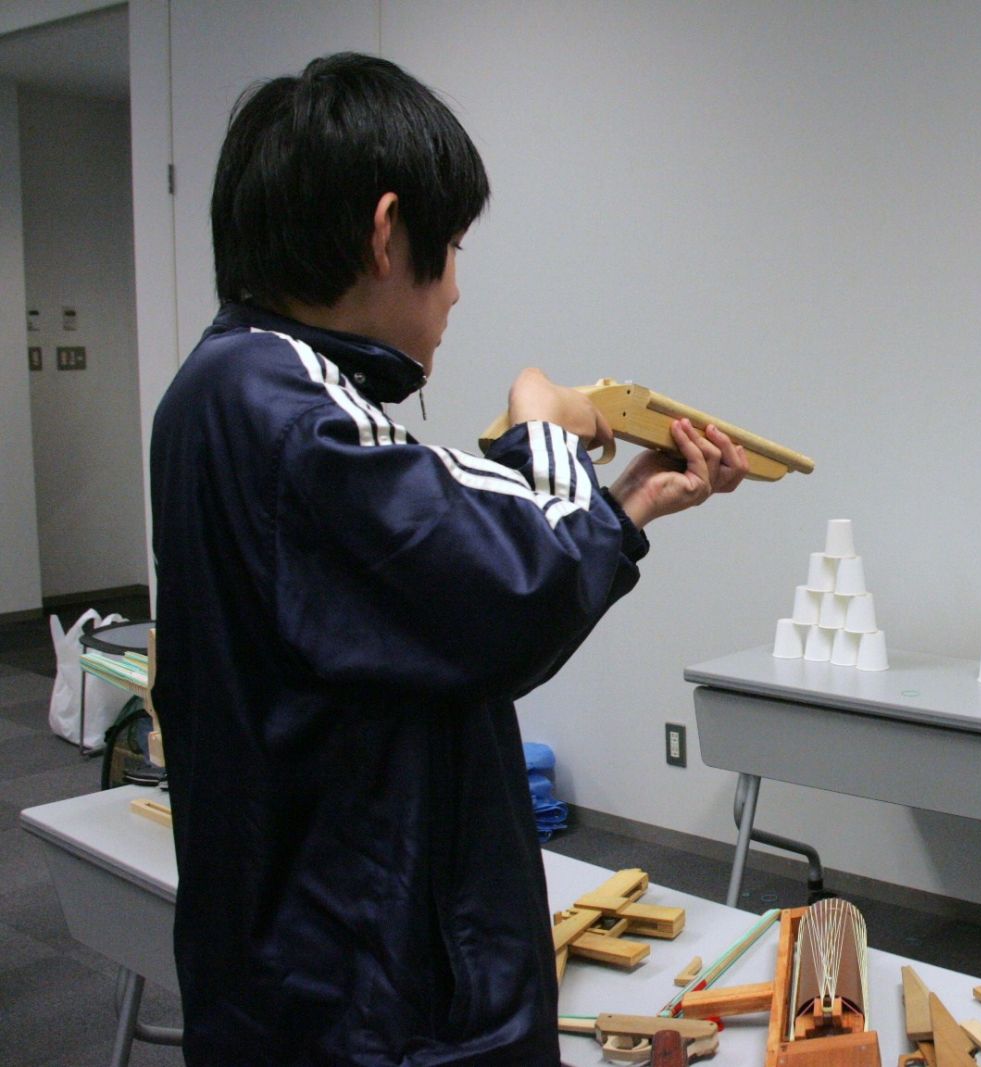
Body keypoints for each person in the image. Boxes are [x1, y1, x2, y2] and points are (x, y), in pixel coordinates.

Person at [149, 52, 747, 1065]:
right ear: (387, 233)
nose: (459, 289)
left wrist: (629, 503)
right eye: (454, 247)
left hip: (293, 959)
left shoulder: (221, 389)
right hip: (375, 997)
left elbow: (426, 575)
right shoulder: (297, 421)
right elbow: (517, 588)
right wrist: (542, 420)